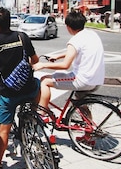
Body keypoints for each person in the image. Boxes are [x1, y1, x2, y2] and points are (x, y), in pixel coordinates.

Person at [0, 7, 40, 169]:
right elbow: (35, 60)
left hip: (9, 92)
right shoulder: (22, 37)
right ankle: (34, 113)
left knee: (3, 129)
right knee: (38, 83)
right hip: (29, 88)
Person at [33, 10, 105, 145]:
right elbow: (77, 51)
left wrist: (43, 65)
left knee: (45, 81)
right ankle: (89, 135)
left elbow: (66, 65)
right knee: (80, 103)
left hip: (81, 79)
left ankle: (42, 115)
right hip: (97, 79)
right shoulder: (92, 34)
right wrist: (57, 56)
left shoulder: (75, 40)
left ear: (68, 26)